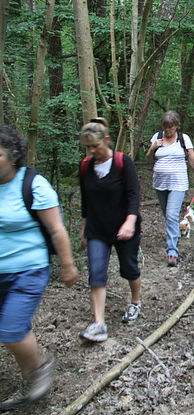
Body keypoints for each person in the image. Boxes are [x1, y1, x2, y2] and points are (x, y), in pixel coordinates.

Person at [0, 125, 79, 410]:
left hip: (29, 269)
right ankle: (28, 378)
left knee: (10, 329)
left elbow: (57, 229)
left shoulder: (32, 184)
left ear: (12, 155)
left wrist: (67, 265)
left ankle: (41, 367)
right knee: (14, 326)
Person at [78, 118, 142, 343]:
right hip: (97, 228)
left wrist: (130, 221)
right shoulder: (86, 165)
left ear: (106, 140)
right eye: (88, 147)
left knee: (129, 269)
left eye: (96, 145)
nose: (93, 150)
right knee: (96, 273)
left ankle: (135, 302)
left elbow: (134, 194)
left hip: (124, 227)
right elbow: (85, 197)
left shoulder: (122, 161)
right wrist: (84, 224)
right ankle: (99, 324)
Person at [146, 111, 194, 267]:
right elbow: (149, 159)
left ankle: (172, 252)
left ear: (176, 126)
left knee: (171, 214)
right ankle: (177, 233)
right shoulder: (157, 137)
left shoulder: (183, 139)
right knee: (168, 215)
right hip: (160, 184)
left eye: (171, 127)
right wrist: (152, 148)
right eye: (165, 127)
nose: (168, 130)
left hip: (178, 183)